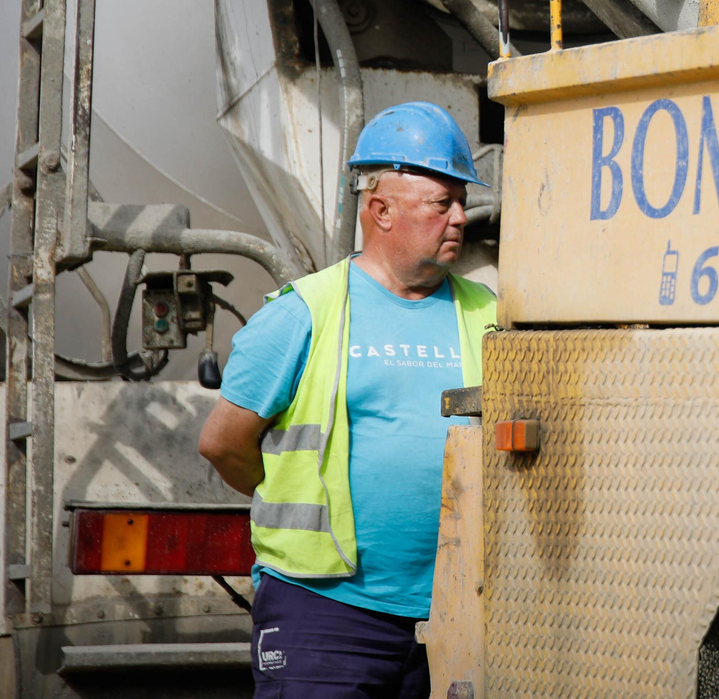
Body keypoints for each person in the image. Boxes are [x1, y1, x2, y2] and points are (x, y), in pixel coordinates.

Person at [199, 101, 497, 699]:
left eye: (461, 201)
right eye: (443, 204)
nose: (461, 217)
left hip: (457, 610)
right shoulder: (303, 314)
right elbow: (224, 444)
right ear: (380, 210)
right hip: (325, 611)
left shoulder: (489, 312)